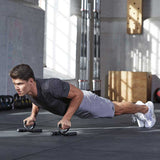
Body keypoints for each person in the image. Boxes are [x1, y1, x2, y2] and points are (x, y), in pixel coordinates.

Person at [9, 64, 156, 130]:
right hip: (77, 109)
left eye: (20, 83)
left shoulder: (51, 85)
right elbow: (37, 100)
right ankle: (138, 107)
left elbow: (78, 94)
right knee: (114, 107)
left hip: (84, 101)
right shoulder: (28, 91)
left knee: (115, 110)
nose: (17, 87)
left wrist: (66, 118)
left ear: (31, 81)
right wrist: (33, 116)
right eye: (15, 84)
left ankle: (144, 108)